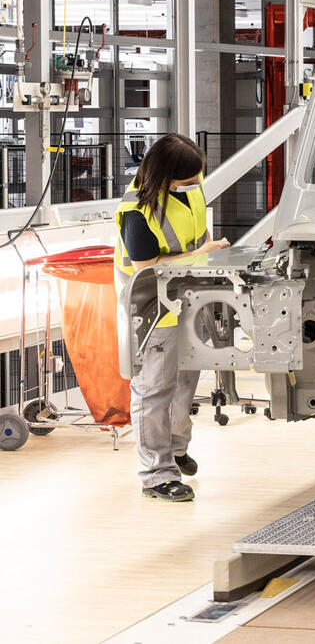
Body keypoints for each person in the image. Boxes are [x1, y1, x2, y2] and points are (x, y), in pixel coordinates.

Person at [114, 134, 229, 502]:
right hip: (153, 307)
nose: (196, 184)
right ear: (165, 176)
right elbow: (146, 268)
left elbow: (198, 233)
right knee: (154, 392)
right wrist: (202, 254)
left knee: (184, 386)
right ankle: (156, 475)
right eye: (188, 179)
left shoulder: (189, 187)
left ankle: (177, 449)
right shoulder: (137, 211)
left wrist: (208, 258)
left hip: (188, 298)